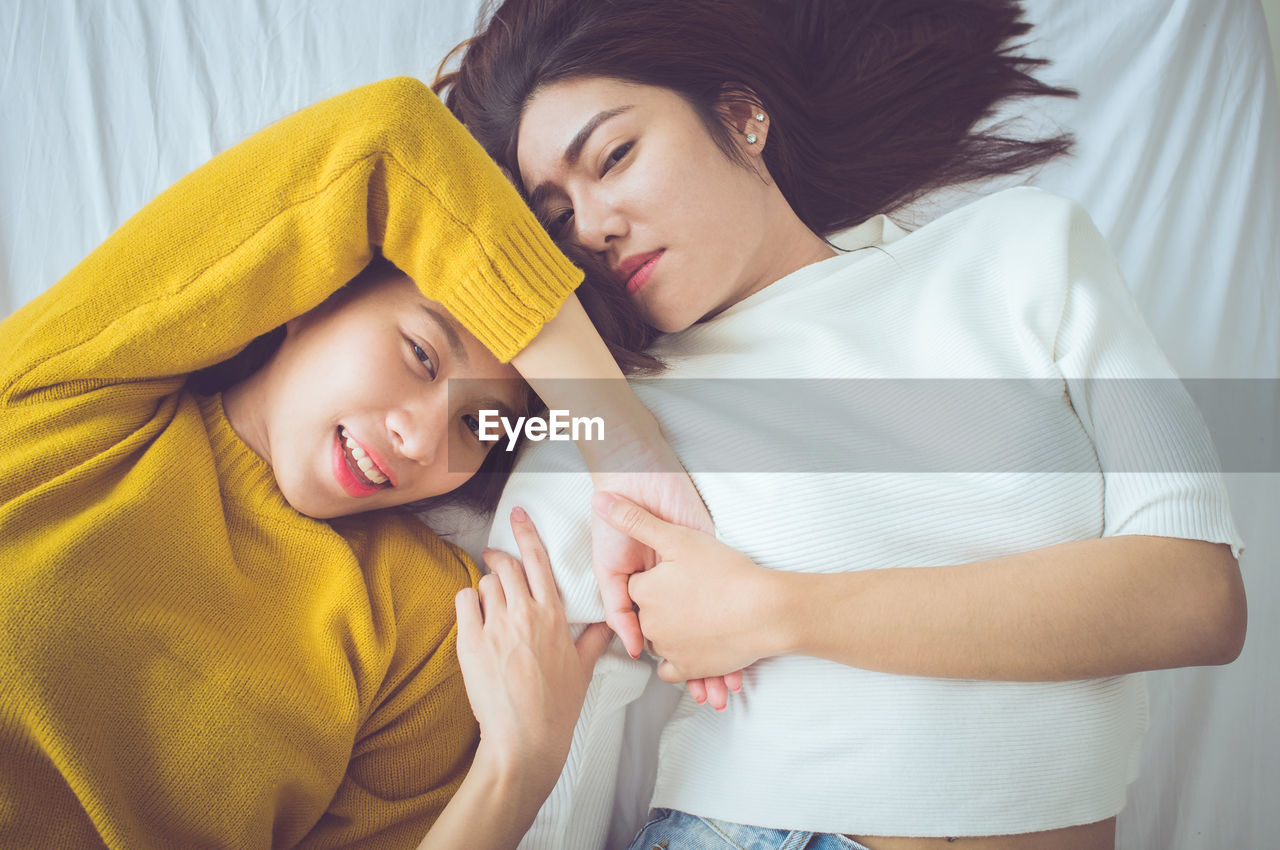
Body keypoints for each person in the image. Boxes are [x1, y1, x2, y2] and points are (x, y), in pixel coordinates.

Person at [434, 1, 1249, 848]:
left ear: (740, 113)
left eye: (615, 155)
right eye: (558, 218)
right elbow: (550, 761)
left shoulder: (1023, 253)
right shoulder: (612, 429)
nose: (595, 227)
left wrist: (778, 611)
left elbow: (1198, 597)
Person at [0, 75, 680, 848]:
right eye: (421, 355)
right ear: (311, 290)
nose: (424, 442)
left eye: (475, 425)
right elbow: (389, 136)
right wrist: (619, 440)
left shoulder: (433, 625)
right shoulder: (78, 395)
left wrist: (518, 767)